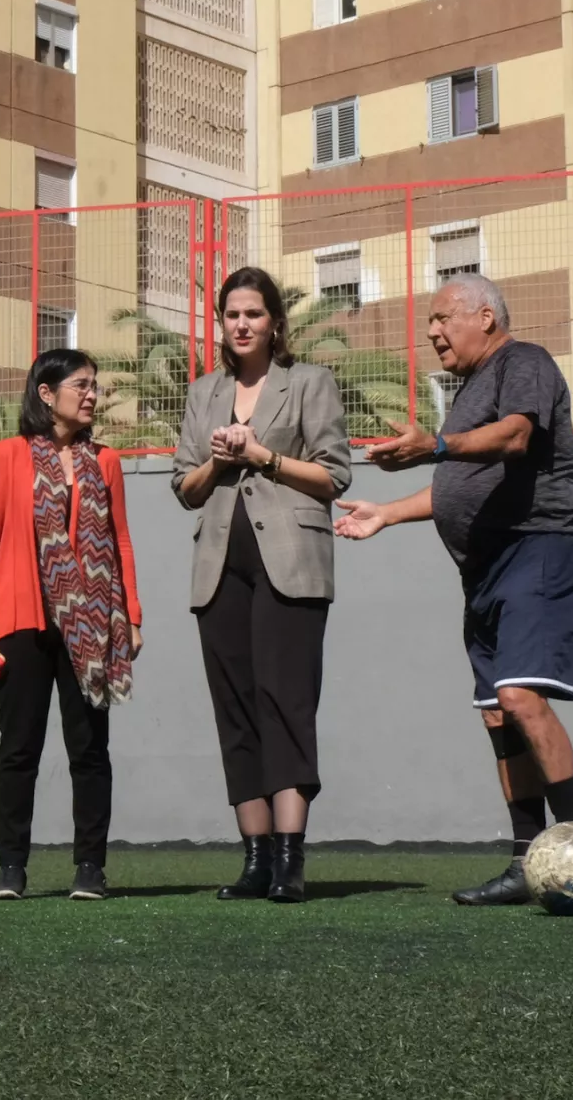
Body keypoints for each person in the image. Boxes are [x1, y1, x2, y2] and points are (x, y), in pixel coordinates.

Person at [333, 273, 573, 906]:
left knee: (520, 695)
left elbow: (516, 436)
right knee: (498, 712)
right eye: (431, 321)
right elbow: (457, 489)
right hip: (482, 570)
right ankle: (526, 862)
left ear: (487, 317)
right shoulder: (470, 389)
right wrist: (387, 513)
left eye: (444, 317)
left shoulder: (522, 361)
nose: (432, 331)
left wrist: (437, 444)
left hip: (536, 547)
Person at [172, 266, 352, 904]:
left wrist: (262, 457)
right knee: (237, 708)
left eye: (253, 313)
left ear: (276, 322)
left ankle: (289, 859)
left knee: (286, 703)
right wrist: (218, 462)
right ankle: (253, 861)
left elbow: (334, 477)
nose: (241, 324)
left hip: (293, 562)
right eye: (231, 315)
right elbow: (184, 488)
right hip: (220, 568)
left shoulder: (309, 383)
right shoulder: (203, 394)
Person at [0, 349, 143, 901]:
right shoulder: (8, 456)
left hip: (91, 622)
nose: (92, 395)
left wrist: (130, 617)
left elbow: (120, 541)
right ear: (47, 393)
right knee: (19, 749)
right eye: (81, 386)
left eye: (95, 386)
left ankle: (91, 867)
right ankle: (11, 868)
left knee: (89, 750)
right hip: (21, 621)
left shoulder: (105, 461)